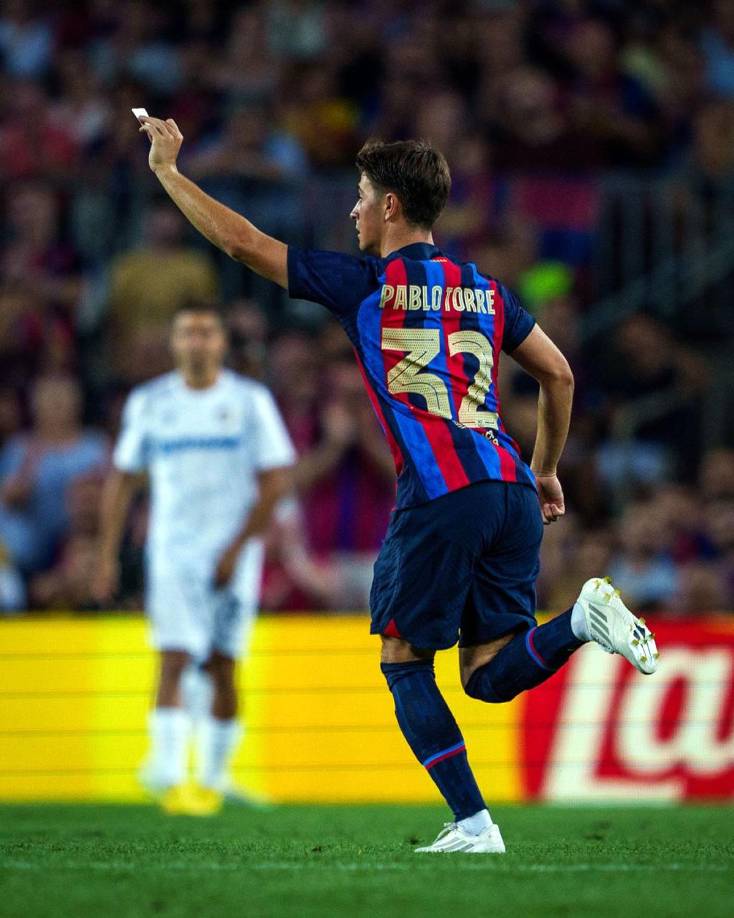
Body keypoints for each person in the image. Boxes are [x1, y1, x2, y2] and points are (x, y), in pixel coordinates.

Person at [136, 114, 659, 851]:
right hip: (508, 486)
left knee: (404, 660)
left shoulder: (368, 284)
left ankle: (474, 824)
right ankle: (578, 622)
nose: (350, 211)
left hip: (441, 494)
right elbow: (559, 373)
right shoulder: (485, 289)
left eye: (358, 197)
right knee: (483, 675)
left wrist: (167, 172)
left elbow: (241, 242)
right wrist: (543, 468)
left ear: (389, 207)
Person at [94, 303, 294, 814]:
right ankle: (165, 772)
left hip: (233, 553)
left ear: (223, 343)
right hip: (173, 552)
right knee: (175, 654)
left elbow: (274, 482)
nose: (198, 341)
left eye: (207, 333)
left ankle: (215, 775)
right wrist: (106, 554)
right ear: (175, 343)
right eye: (187, 333)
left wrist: (236, 546)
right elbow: (122, 478)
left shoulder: (249, 402)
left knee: (225, 663)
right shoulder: (151, 402)